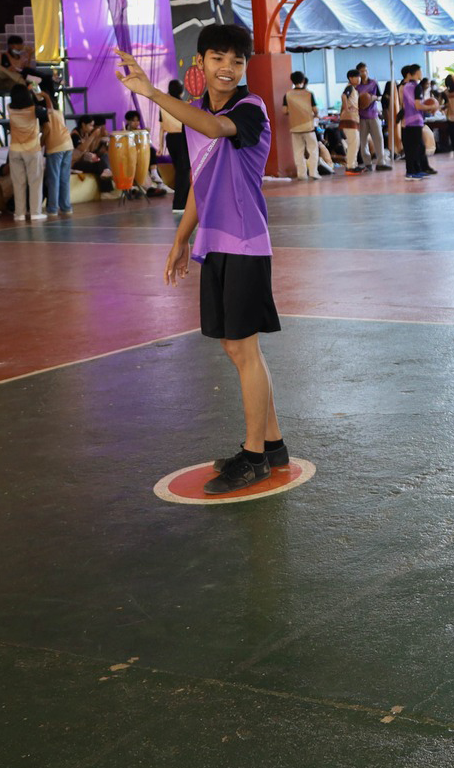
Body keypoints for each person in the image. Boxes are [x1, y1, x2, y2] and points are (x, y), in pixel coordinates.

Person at [116, 29, 289, 496]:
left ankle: (254, 457)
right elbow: (199, 183)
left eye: (236, 60)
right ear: (202, 61)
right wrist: (179, 240)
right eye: (218, 58)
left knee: (244, 349)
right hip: (215, 243)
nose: (227, 67)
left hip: (246, 244)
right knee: (236, 349)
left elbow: (216, 130)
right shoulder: (198, 115)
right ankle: (272, 447)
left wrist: (151, 92)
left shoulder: (248, 110)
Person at [2, 85, 47, 221]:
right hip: (32, 150)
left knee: (18, 182)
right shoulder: (34, 110)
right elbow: (46, 112)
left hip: (15, 150)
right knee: (35, 182)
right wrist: (34, 91)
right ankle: (35, 212)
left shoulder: (10, 108)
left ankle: (19, 213)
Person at [397, 64, 438, 180]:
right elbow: (418, 105)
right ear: (416, 73)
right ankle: (412, 172)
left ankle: (414, 171)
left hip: (408, 120)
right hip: (415, 120)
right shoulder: (416, 86)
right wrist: (431, 107)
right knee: (415, 148)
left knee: (414, 147)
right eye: (420, 71)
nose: (422, 73)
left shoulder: (405, 86)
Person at [160, 80, 194, 207]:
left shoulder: (164, 106)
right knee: (183, 170)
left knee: (180, 170)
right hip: (181, 138)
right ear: (181, 90)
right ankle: (179, 203)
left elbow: (161, 127)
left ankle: (183, 202)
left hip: (170, 139)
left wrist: (161, 146)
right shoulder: (183, 105)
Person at [42, 93, 75, 217]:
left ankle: (52, 209)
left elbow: (47, 128)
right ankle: (66, 207)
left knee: (54, 178)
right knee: (64, 178)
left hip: (55, 147)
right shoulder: (59, 113)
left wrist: (45, 96)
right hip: (68, 144)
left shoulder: (48, 115)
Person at [284, 71, 320, 180]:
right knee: (313, 149)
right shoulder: (309, 94)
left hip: (295, 127)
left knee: (298, 151)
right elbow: (315, 110)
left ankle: (301, 174)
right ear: (303, 81)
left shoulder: (288, 94)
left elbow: (284, 110)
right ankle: (313, 173)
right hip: (308, 127)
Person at [355, 64, 388, 171]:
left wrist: (373, 97)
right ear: (358, 72)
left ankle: (380, 162)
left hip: (373, 114)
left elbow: (379, 96)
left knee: (378, 138)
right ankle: (367, 163)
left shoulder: (374, 83)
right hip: (361, 116)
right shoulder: (356, 86)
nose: (364, 73)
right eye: (362, 71)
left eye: (366, 71)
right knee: (363, 141)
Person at [336, 75, 365, 174]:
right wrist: (346, 109)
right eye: (356, 77)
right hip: (349, 120)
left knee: (355, 143)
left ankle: (353, 164)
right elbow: (343, 96)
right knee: (353, 143)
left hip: (352, 119)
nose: (359, 79)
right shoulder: (349, 88)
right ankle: (350, 167)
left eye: (359, 77)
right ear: (350, 78)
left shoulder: (354, 89)